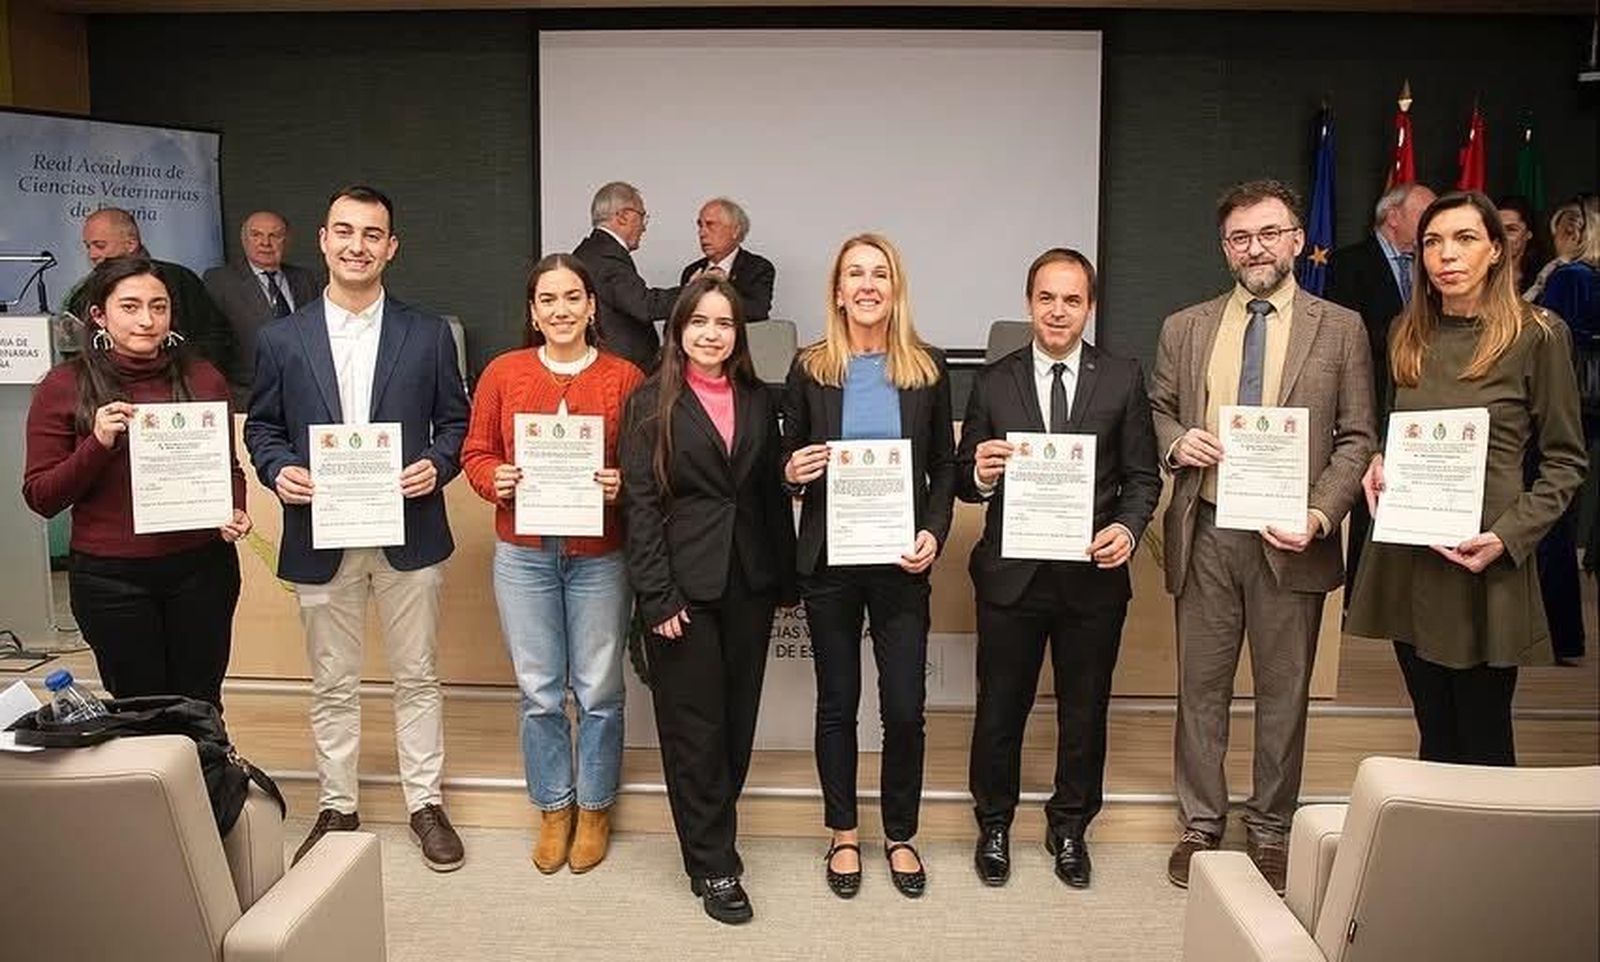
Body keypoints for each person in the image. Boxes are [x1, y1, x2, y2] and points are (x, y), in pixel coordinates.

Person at [1151, 179, 1375, 894]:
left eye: (1269, 233)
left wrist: (1320, 514)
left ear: (1298, 240)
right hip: (1209, 530)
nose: (1255, 249)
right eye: (1240, 237)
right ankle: (1201, 823)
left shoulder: (1340, 328)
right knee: (1201, 688)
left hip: (1291, 537)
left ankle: (1272, 827)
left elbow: (1358, 436)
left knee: (1284, 693)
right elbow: (1158, 408)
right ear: (1225, 248)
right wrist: (1176, 440)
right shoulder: (1185, 327)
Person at [244, 185, 469, 872]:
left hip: (410, 531)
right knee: (332, 681)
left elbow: (455, 424)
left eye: (372, 234)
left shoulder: (428, 334)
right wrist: (279, 470)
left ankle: (424, 803)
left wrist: (438, 464)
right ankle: (337, 805)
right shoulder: (281, 338)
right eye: (344, 231)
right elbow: (263, 428)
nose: (357, 246)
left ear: (391, 247)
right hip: (321, 532)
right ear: (323, 239)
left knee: (418, 675)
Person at [1349, 190, 1586, 763]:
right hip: (1411, 556)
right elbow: (1394, 426)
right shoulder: (1406, 331)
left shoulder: (1538, 334)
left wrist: (1509, 536)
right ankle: (1434, 824)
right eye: (1432, 241)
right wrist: (1379, 460)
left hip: (1484, 559)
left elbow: (1565, 462)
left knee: (1484, 739)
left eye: (1464, 239)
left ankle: (1486, 827)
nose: (1446, 255)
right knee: (1433, 730)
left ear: (1497, 250)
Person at [958, 248, 1161, 890]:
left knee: (1084, 712)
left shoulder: (1122, 378)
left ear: (1089, 308)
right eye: (1046, 298)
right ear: (1029, 303)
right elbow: (963, 477)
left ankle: (1070, 826)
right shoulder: (994, 381)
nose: (1057, 311)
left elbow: (1142, 477)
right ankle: (993, 823)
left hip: (1091, 579)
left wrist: (1127, 529)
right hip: (1011, 579)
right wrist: (979, 475)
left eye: (1072, 300)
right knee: (1000, 710)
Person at [782, 233, 955, 900]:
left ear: (895, 287)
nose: (867, 285)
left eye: (879, 273)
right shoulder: (810, 368)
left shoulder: (928, 368)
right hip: (830, 562)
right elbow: (786, 455)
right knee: (838, 703)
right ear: (837, 291)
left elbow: (944, 467)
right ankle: (844, 831)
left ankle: (901, 833)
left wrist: (934, 532)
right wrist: (792, 471)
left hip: (902, 563)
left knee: (905, 708)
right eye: (854, 274)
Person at [619, 276, 795, 924]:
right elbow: (640, 506)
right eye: (699, 322)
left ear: (738, 334)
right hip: (681, 589)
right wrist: (657, 596)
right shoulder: (649, 402)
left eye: (724, 323)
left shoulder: (758, 398)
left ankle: (712, 836)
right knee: (694, 731)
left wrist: (785, 581)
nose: (711, 334)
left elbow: (767, 496)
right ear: (678, 330)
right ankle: (714, 863)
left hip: (749, 582)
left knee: (736, 725)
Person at [460, 253, 644, 874]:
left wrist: (623, 485)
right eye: (547, 300)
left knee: (599, 689)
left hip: (600, 556)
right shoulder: (504, 373)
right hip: (525, 555)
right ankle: (554, 806)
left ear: (591, 307)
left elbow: (649, 466)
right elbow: (475, 452)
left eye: (572, 298)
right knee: (539, 690)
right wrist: (495, 478)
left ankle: (594, 807)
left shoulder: (625, 378)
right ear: (533, 313)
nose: (560, 310)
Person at [23, 255, 251, 710]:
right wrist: (97, 443)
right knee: (140, 712)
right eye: (130, 306)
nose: (147, 320)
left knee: (202, 705)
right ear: (99, 315)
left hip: (202, 570)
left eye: (158, 306)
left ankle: (206, 761)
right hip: (111, 581)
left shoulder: (204, 379)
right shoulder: (63, 385)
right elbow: (42, 496)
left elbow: (228, 469)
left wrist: (235, 507)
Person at [1326, 182, 1435, 598]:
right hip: (1366, 396)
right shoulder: (1350, 263)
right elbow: (1345, 334)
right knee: (1365, 493)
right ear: (1393, 216)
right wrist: (1406, 342)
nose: (1432, 225)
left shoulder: (1430, 265)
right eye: (1424, 214)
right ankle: (1361, 591)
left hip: (1418, 401)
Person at [1530, 194, 1599, 665]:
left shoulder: (1568, 277)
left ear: (1572, 233)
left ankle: (1552, 634)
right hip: (1582, 414)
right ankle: (1565, 636)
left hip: (1555, 408)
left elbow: (1544, 341)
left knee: (1547, 523)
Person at [203, 211, 323, 396]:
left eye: (275, 235)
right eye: (256, 235)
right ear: (244, 240)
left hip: (303, 389)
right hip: (247, 393)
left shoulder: (306, 279)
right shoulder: (219, 281)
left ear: (287, 241)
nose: (265, 243)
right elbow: (211, 343)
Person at [573, 181, 680, 372]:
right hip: (619, 373)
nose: (644, 227)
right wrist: (693, 291)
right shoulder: (605, 256)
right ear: (623, 216)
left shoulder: (593, 250)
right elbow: (644, 305)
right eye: (642, 217)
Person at [678, 198, 776, 321]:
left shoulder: (757, 267)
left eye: (710, 225)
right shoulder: (692, 271)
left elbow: (757, 311)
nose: (702, 233)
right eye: (700, 226)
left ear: (735, 231)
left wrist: (719, 289)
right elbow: (678, 316)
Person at [1494, 195, 1543, 294]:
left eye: (1511, 229)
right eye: (1497, 229)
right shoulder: (1476, 277)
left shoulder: (1543, 278)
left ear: (1528, 234)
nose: (1502, 237)